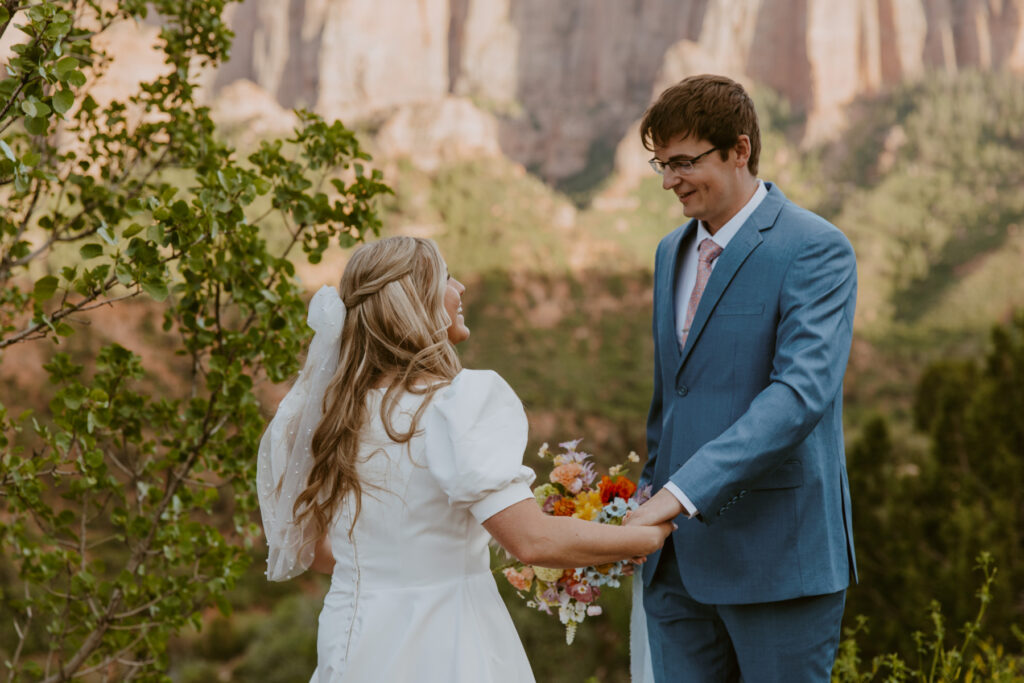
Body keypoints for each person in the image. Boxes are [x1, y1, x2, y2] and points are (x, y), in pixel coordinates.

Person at [257, 236, 673, 682]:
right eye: (447, 277)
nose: (461, 288)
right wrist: (643, 538)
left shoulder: (319, 417)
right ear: (416, 300)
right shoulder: (458, 404)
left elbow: (316, 553)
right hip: (448, 638)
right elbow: (530, 542)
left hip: (353, 640)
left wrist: (394, 560)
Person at [623, 74, 858, 682]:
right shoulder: (668, 252)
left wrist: (680, 495)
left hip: (778, 560)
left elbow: (798, 396)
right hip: (674, 569)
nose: (670, 181)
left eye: (684, 162)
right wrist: (649, 497)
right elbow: (671, 397)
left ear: (740, 149)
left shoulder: (816, 247)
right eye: (661, 164)